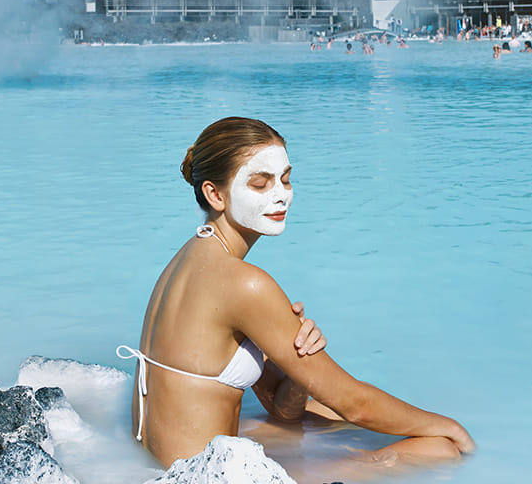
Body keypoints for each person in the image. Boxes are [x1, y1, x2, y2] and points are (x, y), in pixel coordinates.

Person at [118, 117, 475, 471]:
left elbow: (284, 409)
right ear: (215, 194)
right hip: (205, 478)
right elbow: (355, 404)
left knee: (317, 413)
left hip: (168, 466)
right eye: (260, 183)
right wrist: (451, 427)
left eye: (286, 179)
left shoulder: (188, 260)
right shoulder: (245, 283)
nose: (280, 195)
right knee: (440, 449)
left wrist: (293, 355)